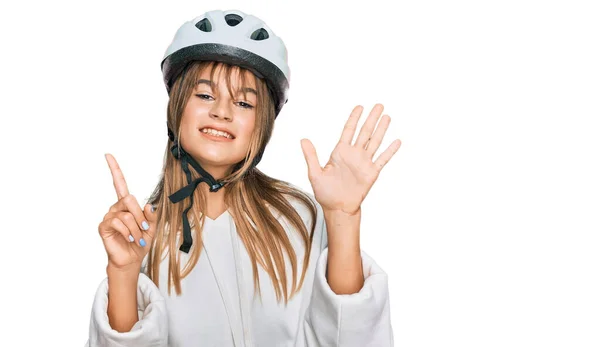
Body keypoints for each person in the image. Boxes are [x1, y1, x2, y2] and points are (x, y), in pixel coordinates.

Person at [86, 9, 401, 347]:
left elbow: (346, 337)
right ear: (177, 108)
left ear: (261, 124)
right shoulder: (144, 232)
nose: (222, 112)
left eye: (244, 103)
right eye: (205, 95)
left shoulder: (297, 216)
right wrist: (122, 274)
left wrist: (343, 218)